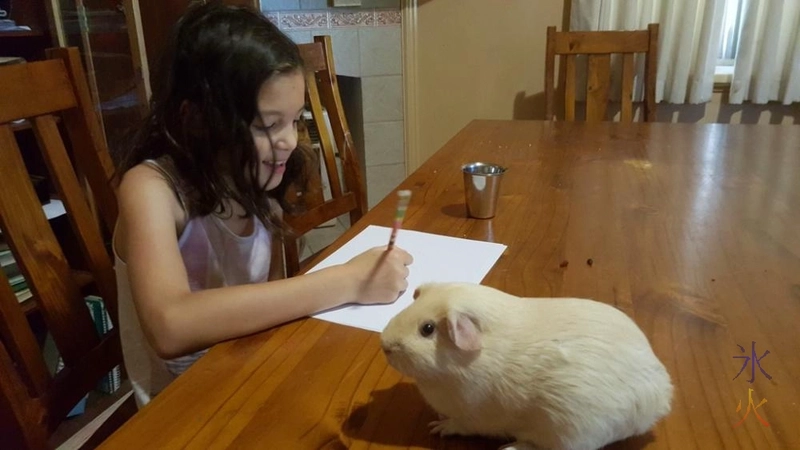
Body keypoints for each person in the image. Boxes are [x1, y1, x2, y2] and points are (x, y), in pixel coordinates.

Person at [112, 2, 412, 407]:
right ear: (199, 120)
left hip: (248, 377)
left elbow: (266, 304)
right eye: (268, 126)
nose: (289, 140)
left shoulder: (255, 185)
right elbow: (170, 325)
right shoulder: (151, 189)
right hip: (181, 411)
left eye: (296, 120)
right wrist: (348, 281)